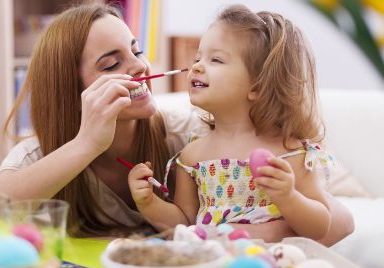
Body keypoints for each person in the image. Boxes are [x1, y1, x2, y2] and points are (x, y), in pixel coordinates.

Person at [0, 3, 354, 244]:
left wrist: (265, 228)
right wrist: (87, 143)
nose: (141, 67)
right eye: (111, 64)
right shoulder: (39, 155)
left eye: (137, 50)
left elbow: (339, 220)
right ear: (70, 89)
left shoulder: (187, 131)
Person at [128, 5, 336, 240]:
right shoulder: (192, 156)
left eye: (215, 60)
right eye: (198, 57)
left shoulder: (290, 152)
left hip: (272, 267)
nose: (196, 66)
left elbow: (320, 228)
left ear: (257, 86)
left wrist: (289, 197)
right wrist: (149, 203)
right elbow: (185, 222)